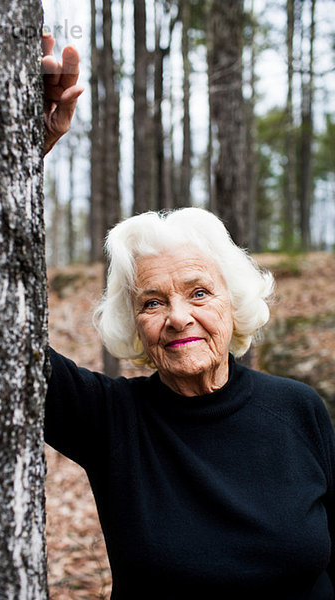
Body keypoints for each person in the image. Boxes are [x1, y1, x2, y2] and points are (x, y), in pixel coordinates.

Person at [42, 36, 335, 600]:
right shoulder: (111, 420)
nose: (178, 317)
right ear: (134, 323)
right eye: (153, 302)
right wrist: (30, 150)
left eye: (198, 292)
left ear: (233, 299)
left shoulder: (300, 411)